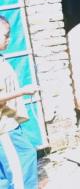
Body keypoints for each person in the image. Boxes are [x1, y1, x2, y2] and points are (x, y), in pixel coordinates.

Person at [0, 15, 39, 189]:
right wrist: (22, 91)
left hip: (9, 124)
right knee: (20, 169)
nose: (9, 40)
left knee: (5, 175)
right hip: (4, 129)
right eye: (6, 35)